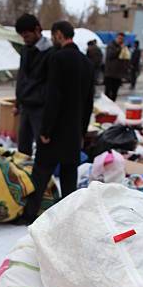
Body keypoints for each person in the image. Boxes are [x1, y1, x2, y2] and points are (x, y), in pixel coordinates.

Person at [18, 21, 94, 224]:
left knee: (40, 173)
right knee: (69, 177)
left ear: (59, 35)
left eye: (53, 36)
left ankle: (29, 215)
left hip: (55, 130)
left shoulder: (57, 58)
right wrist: (82, 132)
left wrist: (46, 129)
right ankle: (67, 218)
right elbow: (88, 102)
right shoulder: (86, 62)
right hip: (74, 131)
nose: (52, 40)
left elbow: (54, 96)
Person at [14, 14, 53, 156]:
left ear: (37, 30)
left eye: (27, 35)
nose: (25, 39)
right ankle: (23, 172)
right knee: (23, 144)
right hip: (26, 104)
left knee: (42, 144)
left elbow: (51, 83)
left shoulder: (50, 52)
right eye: (22, 36)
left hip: (40, 106)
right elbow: (22, 76)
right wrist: (18, 102)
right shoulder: (25, 50)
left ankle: (42, 175)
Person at [104, 32, 130, 101]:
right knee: (108, 93)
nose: (120, 40)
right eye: (119, 38)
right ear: (116, 38)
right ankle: (106, 108)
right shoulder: (111, 45)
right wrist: (120, 49)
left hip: (118, 75)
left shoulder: (123, 47)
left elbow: (125, 59)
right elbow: (110, 55)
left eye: (122, 39)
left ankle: (113, 108)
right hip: (110, 74)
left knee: (114, 93)